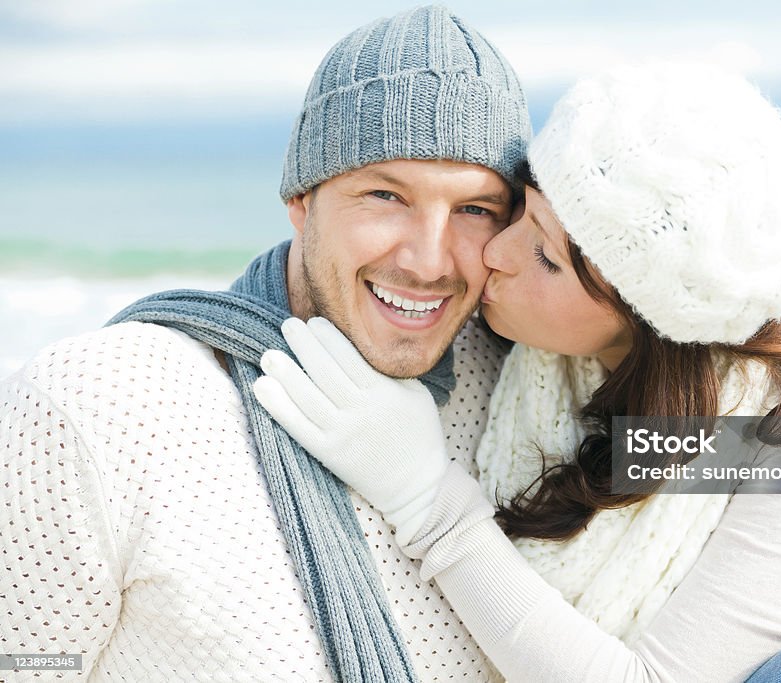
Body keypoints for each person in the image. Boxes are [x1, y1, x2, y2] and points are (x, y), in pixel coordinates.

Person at [255, 63, 781, 681]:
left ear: (650, 322)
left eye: (547, 256)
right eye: (518, 207)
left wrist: (429, 503)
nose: (494, 253)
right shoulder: (545, 364)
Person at [0, 6, 529, 681]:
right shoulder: (94, 408)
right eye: (385, 196)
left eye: (475, 209)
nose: (429, 261)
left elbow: (698, 467)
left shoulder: (526, 380)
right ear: (301, 201)